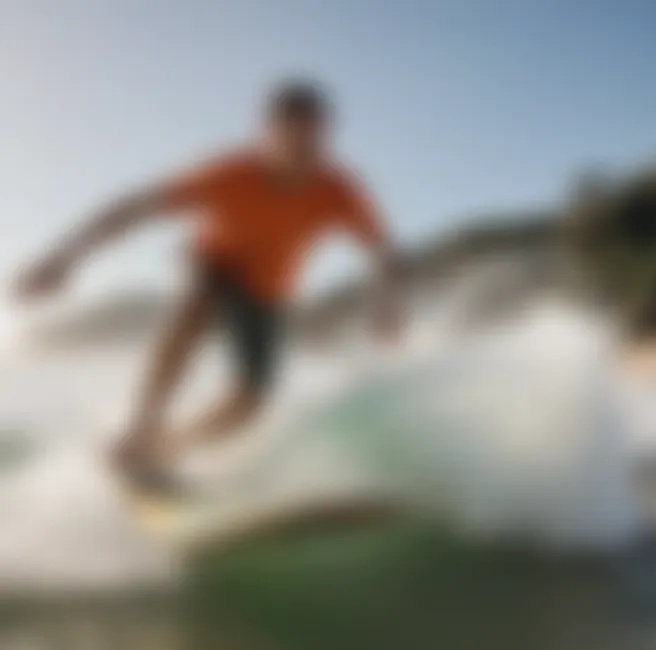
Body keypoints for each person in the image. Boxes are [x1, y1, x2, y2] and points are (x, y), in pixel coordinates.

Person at [14, 80, 402, 497]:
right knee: (197, 304)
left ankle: (167, 450)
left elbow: (381, 248)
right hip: (216, 263)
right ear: (268, 133)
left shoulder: (338, 189)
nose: (306, 153)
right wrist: (63, 258)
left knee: (249, 402)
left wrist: (386, 301)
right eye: (294, 138)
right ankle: (141, 429)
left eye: (315, 139)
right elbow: (131, 208)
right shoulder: (230, 173)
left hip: (268, 292)